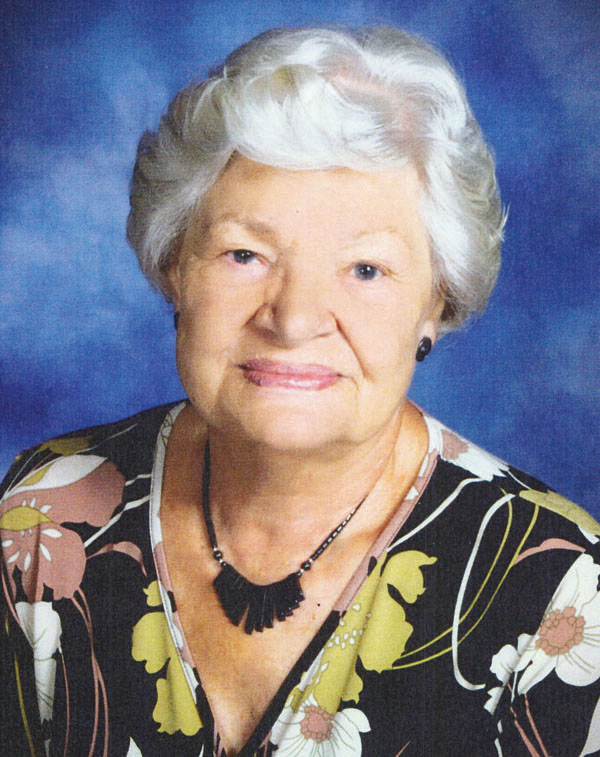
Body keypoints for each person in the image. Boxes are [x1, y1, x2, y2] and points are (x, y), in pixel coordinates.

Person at [1, 25, 599, 757]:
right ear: (174, 265)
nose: (293, 319)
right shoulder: (42, 515)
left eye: (365, 269)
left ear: (436, 302)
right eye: (244, 254)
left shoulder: (558, 589)